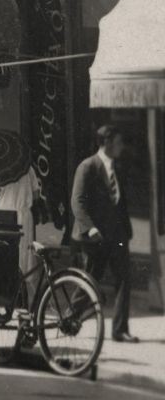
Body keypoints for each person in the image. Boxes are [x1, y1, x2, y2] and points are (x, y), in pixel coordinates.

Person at [70, 125, 136, 343]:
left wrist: (125, 231)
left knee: (124, 279)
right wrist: (90, 228)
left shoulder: (118, 168)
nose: (121, 147)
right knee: (90, 280)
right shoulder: (88, 166)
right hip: (95, 237)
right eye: (118, 142)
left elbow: (119, 202)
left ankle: (120, 330)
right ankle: (70, 319)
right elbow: (77, 202)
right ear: (106, 142)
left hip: (117, 236)